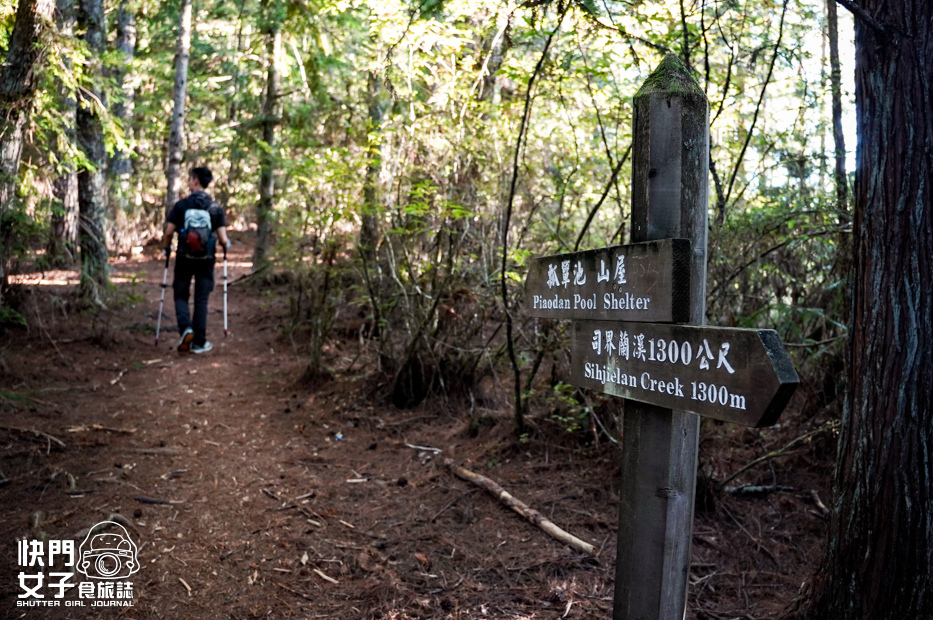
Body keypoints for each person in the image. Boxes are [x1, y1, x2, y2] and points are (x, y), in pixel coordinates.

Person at [162, 167, 230, 354]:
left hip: (184, 256)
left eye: (190, 179)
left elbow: (169, 232)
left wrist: (167, 249)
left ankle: (186, 329)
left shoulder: (181, 205)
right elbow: (223, 240)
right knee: (201, 298)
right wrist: (226, 246)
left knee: (180, 294)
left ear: (195, 181)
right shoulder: (214, 208)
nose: (189, 182)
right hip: (206, 259)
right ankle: (199, 342)